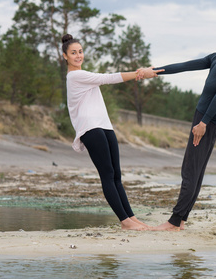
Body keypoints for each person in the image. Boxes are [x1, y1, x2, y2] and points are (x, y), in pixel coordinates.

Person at [136, 15, 216, 231]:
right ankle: (180, 221)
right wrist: (154, 71)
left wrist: (204, 123)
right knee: (195, 170)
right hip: (204, 116)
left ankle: (174, 222)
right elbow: (186, 65)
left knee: (190, 170)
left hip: (208, 119)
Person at [62, 34, 163, 231]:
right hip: (90, 128)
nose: (78, 55)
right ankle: (125, 222)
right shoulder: (75, 76)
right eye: (73, 53)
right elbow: (108, 78)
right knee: (107, 175)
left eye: (80, 52)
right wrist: (140, 73)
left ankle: (132, 218)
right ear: (65, 56)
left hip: (104, 126)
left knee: (116, 175)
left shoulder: (84, 75)